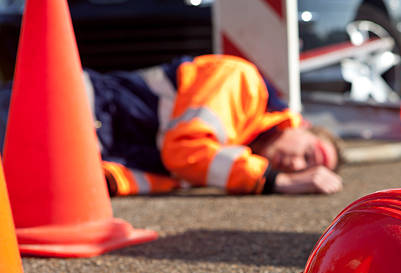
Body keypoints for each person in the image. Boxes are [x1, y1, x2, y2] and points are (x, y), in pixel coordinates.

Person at [1, 54, 342, 195]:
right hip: (65, 106)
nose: (296, 165)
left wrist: (96, 182)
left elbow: (161, 173)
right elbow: (183, 151)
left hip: (77, 146)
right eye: (308, 154)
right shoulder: (243, 82)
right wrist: (277, 182)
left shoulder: (231, 156)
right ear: (302, 125)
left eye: (303, 168)